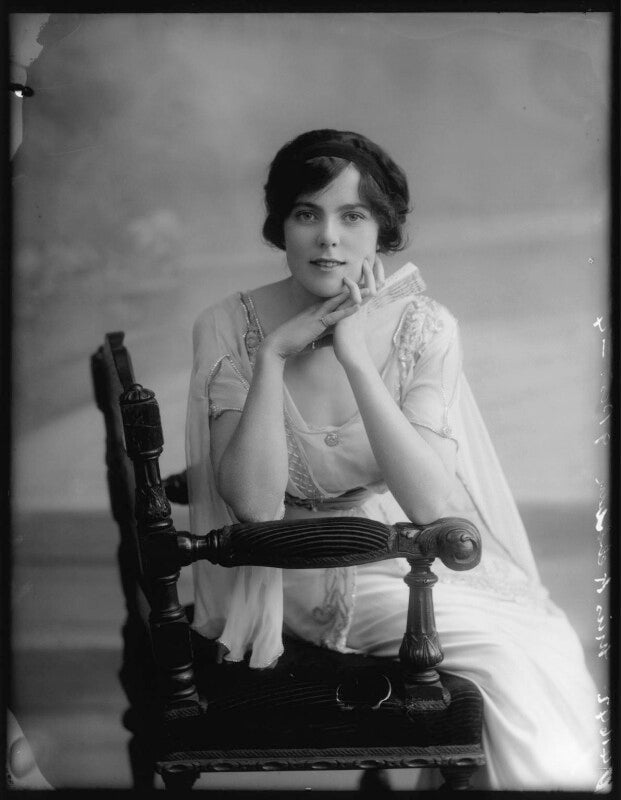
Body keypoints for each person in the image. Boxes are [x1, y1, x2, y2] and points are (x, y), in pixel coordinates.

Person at [186, 129, 600, 790]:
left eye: (352, 216)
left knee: (546, 642)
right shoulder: (228, 325)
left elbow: (431, 505)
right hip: (293, 571)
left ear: (381, 231)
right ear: (281, 226)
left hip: (399, 553)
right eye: (306, 213)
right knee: (506, 664)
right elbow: (256, 508)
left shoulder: (424, 326)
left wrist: (355, 356)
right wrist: (273, 357)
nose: (328, 238)